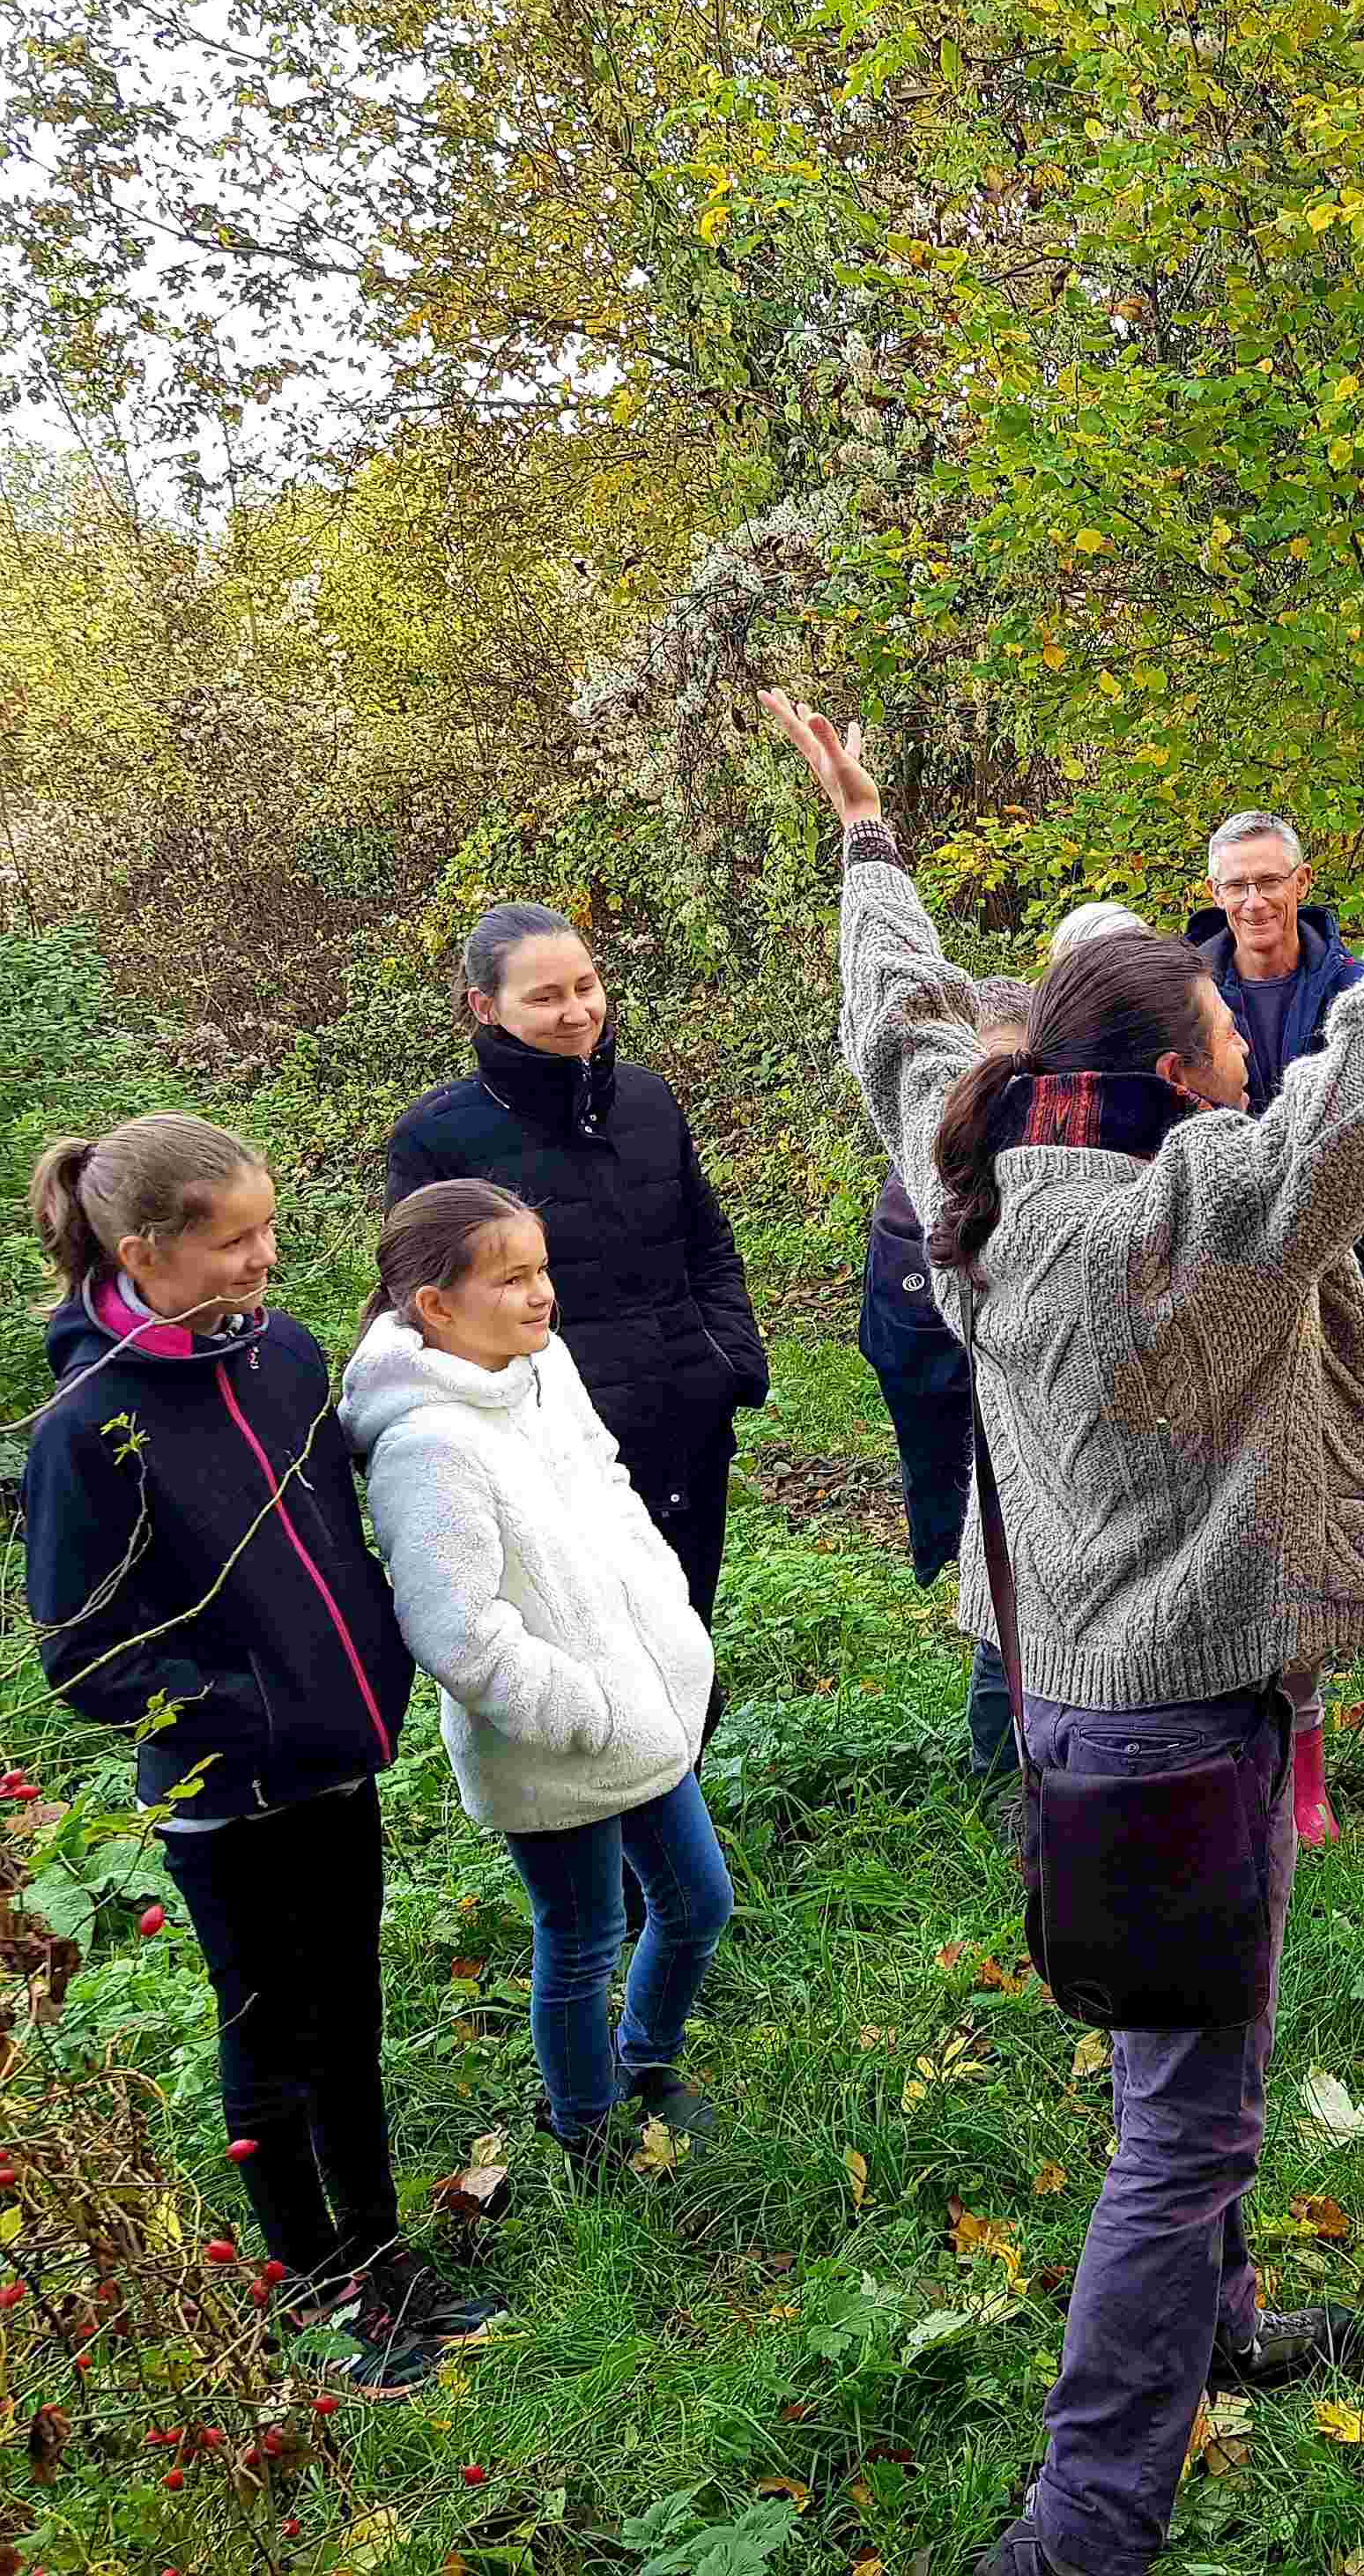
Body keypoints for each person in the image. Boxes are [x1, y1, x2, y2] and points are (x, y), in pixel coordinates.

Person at [770, 595, 1364, 2576]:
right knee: (1187, 2125)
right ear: (1174, 1059)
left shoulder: (971, 1176)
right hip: (1179, 1721)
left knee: (1186, 2046)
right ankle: (1083, 2523)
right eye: (1232, 1024)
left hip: (1080, 1686)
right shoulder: (1207, 1216)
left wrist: (867, 841)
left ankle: (1222, 2330)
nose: (1261, 1038)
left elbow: (895, 1018)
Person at [24, 1115, 500, 2396]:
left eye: (269, 1229)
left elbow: (340, 1530)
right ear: (143, 1250)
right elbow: (81, 1651)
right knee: (269, 2036)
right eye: (233, 1242)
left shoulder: (284, 1355)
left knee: (350, 2021)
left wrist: (370, 1673)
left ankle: (383, 2249)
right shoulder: (89, 1424)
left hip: (339, 1768)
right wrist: (249, 1711)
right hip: (230, 1799)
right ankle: (316, 2281)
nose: (263, 1259)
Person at [343, 1183, 737, 2163]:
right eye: (510, 1279)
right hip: (553, 1738)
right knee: (584, 1934)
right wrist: (581, 1709)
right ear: (435, 1306)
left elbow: (608, 1481)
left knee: (697, 1903)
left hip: (639, 1699)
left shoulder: (542, 1368)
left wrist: (665, 1619)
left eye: (541, 1271)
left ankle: (646, 2059)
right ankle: (586, 2123)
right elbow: (456, 1631)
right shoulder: (425, 1446)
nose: (540, 1296)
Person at [387, 904, 770, 1632]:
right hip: (554, 1451)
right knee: (596, 1653)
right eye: (545, 996)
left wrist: (727, 1363)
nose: (575, 1012)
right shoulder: (436, 1138)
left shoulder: (649, 1100)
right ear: (484, 1007)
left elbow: (708, 1244)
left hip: (682, 1419)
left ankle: (687, 1754)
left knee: (686, 1638)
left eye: (585, 987)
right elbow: (426, 1313)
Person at [1186, 810, 1364, 1842]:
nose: (1255, 903)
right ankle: (1233, 1738)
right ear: (1215, 891)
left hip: (1341, 1270)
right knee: (1235, 1507)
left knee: (1328, 1501)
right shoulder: (1178, 993)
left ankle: (1307, 1747)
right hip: (1223, 1289)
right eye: (1236, 886)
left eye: (1270, 882)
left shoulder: (1354, 987)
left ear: (1301, 880)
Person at [862, 975, 1035, 1789]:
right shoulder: (922, 1189)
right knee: (1003, 1597)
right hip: (975, 1427)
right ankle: (998, 1774)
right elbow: (901, 1355)